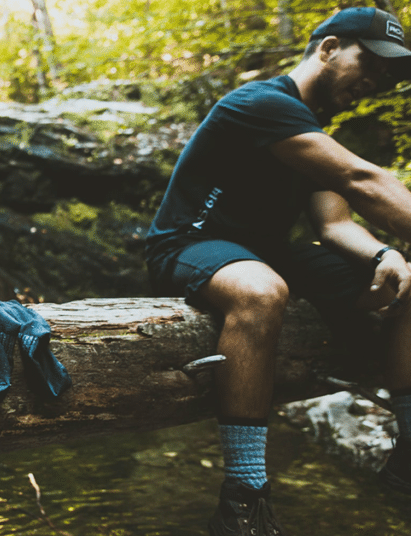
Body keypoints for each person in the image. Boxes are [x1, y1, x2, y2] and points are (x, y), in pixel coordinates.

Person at [144, 7, 411, 535]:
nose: (375, 82)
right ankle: (243, 496)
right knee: (263, 292)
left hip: (268, 250)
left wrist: (384, 255)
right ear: (329, 47)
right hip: (189, 244)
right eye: (370, 63)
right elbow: (361, 178)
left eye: (386, 76)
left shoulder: (311, 129)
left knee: (409, 281)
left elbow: (335, 224)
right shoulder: (260, 103)